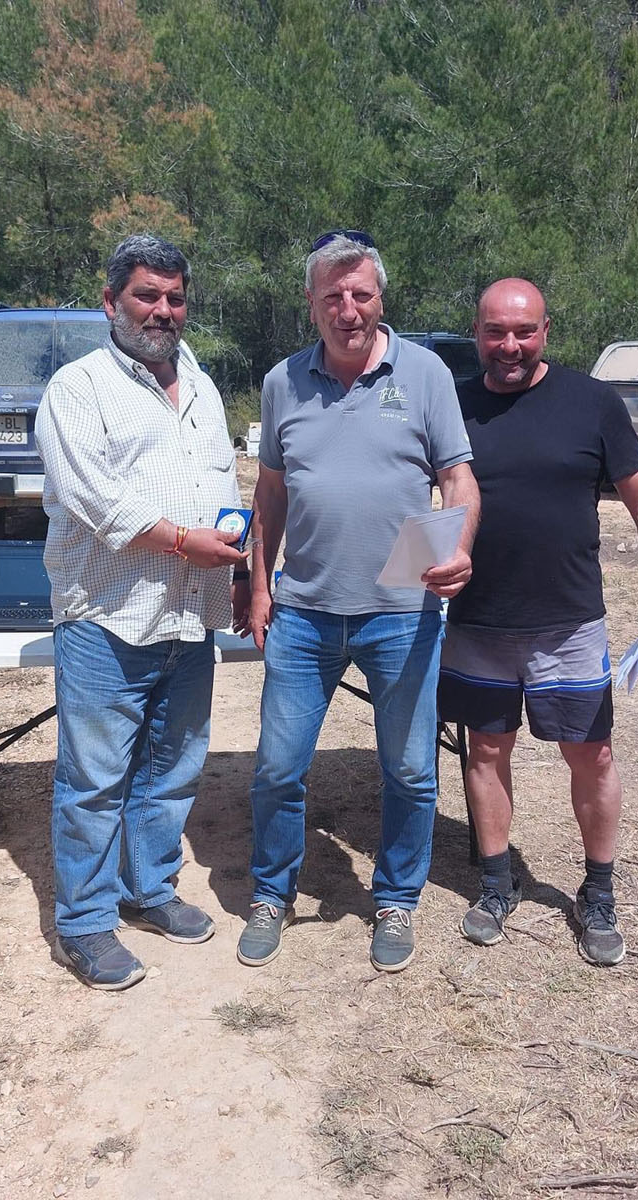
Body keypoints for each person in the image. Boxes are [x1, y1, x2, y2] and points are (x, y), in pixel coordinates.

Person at [238, 230, 481, 974]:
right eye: (333, 297)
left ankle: (397, 899)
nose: (349, 310)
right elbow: (270, 492)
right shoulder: (282, 382)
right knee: (278, 768)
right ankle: (271, 894)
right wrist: (259, 584)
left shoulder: (427, 374)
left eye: (361, 295)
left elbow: (458, 480)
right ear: (311, 304)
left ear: (380, 298)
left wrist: (459, 547)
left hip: (403, 610)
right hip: (304, 612)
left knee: (408, 770)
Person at [438, 278, 638, 966]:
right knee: (485, 752)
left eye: (524, 331)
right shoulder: (452, 405)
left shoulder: (591, 402)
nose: (510, 345)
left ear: (546, 331)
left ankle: (598, 892)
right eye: (495, 332)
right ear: (477, 333)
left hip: (568, 623)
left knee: (592, 755)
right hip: (477, 621)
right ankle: (496, 883)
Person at [33, 233, 247, 990]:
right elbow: (97, 502)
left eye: (175, 297)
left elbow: (223, 487)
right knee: (94, 781)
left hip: (187, 616)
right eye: (146, 295)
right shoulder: (78, 389)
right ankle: (85, 924)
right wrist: (189, 542)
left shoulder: (203, 387)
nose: (163, 310)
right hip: (107, 617)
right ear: (111, 301)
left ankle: (148, 889)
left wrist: (237, 562)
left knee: (171, 769)